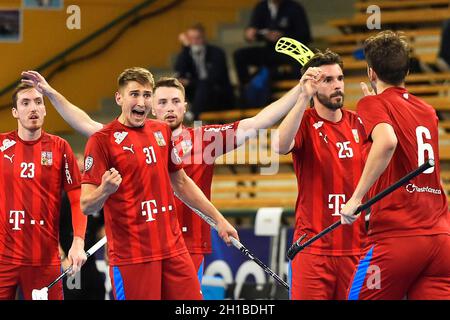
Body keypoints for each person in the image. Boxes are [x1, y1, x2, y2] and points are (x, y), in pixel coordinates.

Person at [21, 68, 304, 284]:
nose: (169, 107)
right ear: (152, 107)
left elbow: (259, 122)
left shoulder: (206, 140)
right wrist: (50, 93)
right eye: (163, 102)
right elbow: (84, 123)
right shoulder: (123, 138)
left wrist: (301, 90)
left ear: (185, 106)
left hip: (189, 244)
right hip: (139, 244)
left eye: (176, 101)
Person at [79, 67, 238, 300]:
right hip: (134, 254)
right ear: (119, 98)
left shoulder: (160, 130)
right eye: (134, 94)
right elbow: (86, 205)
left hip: (173, 248)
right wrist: (104, 190)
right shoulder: (101, 141)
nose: (141, 101)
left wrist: (219, 220)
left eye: (146, 95)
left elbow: (181, 181)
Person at [340, 30, 450, 300]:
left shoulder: (371, 103)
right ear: (407, 71)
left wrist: (356, 198)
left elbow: (387, 141)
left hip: (398, 238)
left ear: (371, 72)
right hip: (441, 239)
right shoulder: (427, 110)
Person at [273, 50, 367, 300]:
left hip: (356, 248)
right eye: (328, 80)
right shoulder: (303, 121)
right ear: (313, 86)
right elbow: (280, 145)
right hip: (313, 247)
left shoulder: (359, 123)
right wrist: (303, 97)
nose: (337, 85)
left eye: (340, 78)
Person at [0, 82, 87, 300]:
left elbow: (77, 199)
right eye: (25, 103)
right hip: (2, 259)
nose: (33, 108)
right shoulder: (1, 145)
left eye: (39, 102)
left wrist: (78, 241)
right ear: (15, 112)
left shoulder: (60, 148)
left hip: (44, 261)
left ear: (45, 109)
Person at [234, 0, 312, 107]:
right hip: (270, 49)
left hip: (288, 51)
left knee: (300, 60)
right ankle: (247, 92)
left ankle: (299, 94)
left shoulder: (294, 8)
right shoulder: (261, 7)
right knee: (239, 55)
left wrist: (282, 36)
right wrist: (250, 34)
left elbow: (305, 36)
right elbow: (253, 31)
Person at [59, 153, 106, 300]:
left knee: (98, 289)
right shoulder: (63, 199)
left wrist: (110, 243)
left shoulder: (94, 199)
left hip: (90, 259)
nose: (81, 179)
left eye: (84, 173)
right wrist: (62, 258)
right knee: (74, 294)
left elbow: (101, 228)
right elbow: (52, 231)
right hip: (72, 265)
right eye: (78, 173)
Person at [174, 23, 235, 119]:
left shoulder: (217, 53)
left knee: (204, 84)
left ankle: (193, 115)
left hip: (218, 95)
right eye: (191, 39)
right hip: (197, 96)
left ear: (204, 38)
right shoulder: (186, 55)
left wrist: (190, 82)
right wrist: (186, 48)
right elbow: (180, 72)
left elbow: (213, 79)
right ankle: (190, 117)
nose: (194, 42)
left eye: (197, 38)